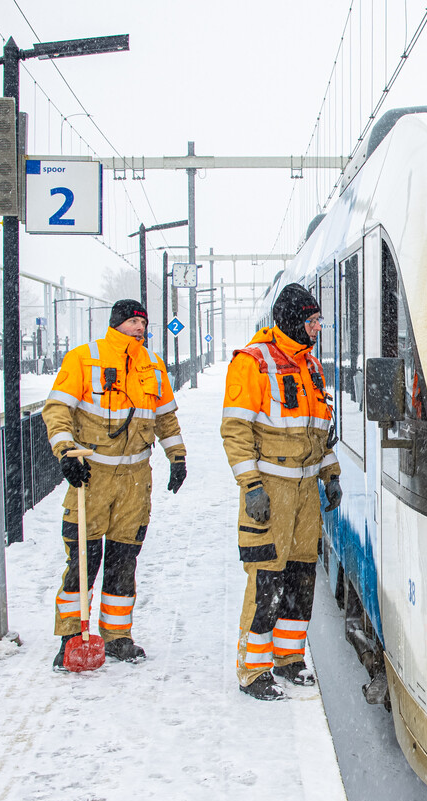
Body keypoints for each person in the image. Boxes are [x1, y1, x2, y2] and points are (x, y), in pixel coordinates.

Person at [43, 299, 187, 669]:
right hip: (91, 478)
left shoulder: (153, 367)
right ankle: (71, 636)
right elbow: (57, 410)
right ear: (117, 324)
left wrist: (178, 458)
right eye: (132, 321)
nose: (139, 327)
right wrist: (65, 452)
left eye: (143, 322)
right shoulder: (83, 358)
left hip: (136, 482)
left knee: (124, 561)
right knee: (83, 560)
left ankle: (117, 636)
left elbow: (166, 418)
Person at [221, 283, 341, 701]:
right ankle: (253, 671)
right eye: (311, 321)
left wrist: (331, 474)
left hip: (306, 491)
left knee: (300, 577)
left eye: (318, 321)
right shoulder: (252, 363)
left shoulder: (310, 366)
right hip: (271, 490)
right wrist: (251, 486)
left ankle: (289, 659)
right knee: (266, 579)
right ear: (292, 320)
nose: (317, 328)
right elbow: (235, 431)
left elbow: (320, 430)